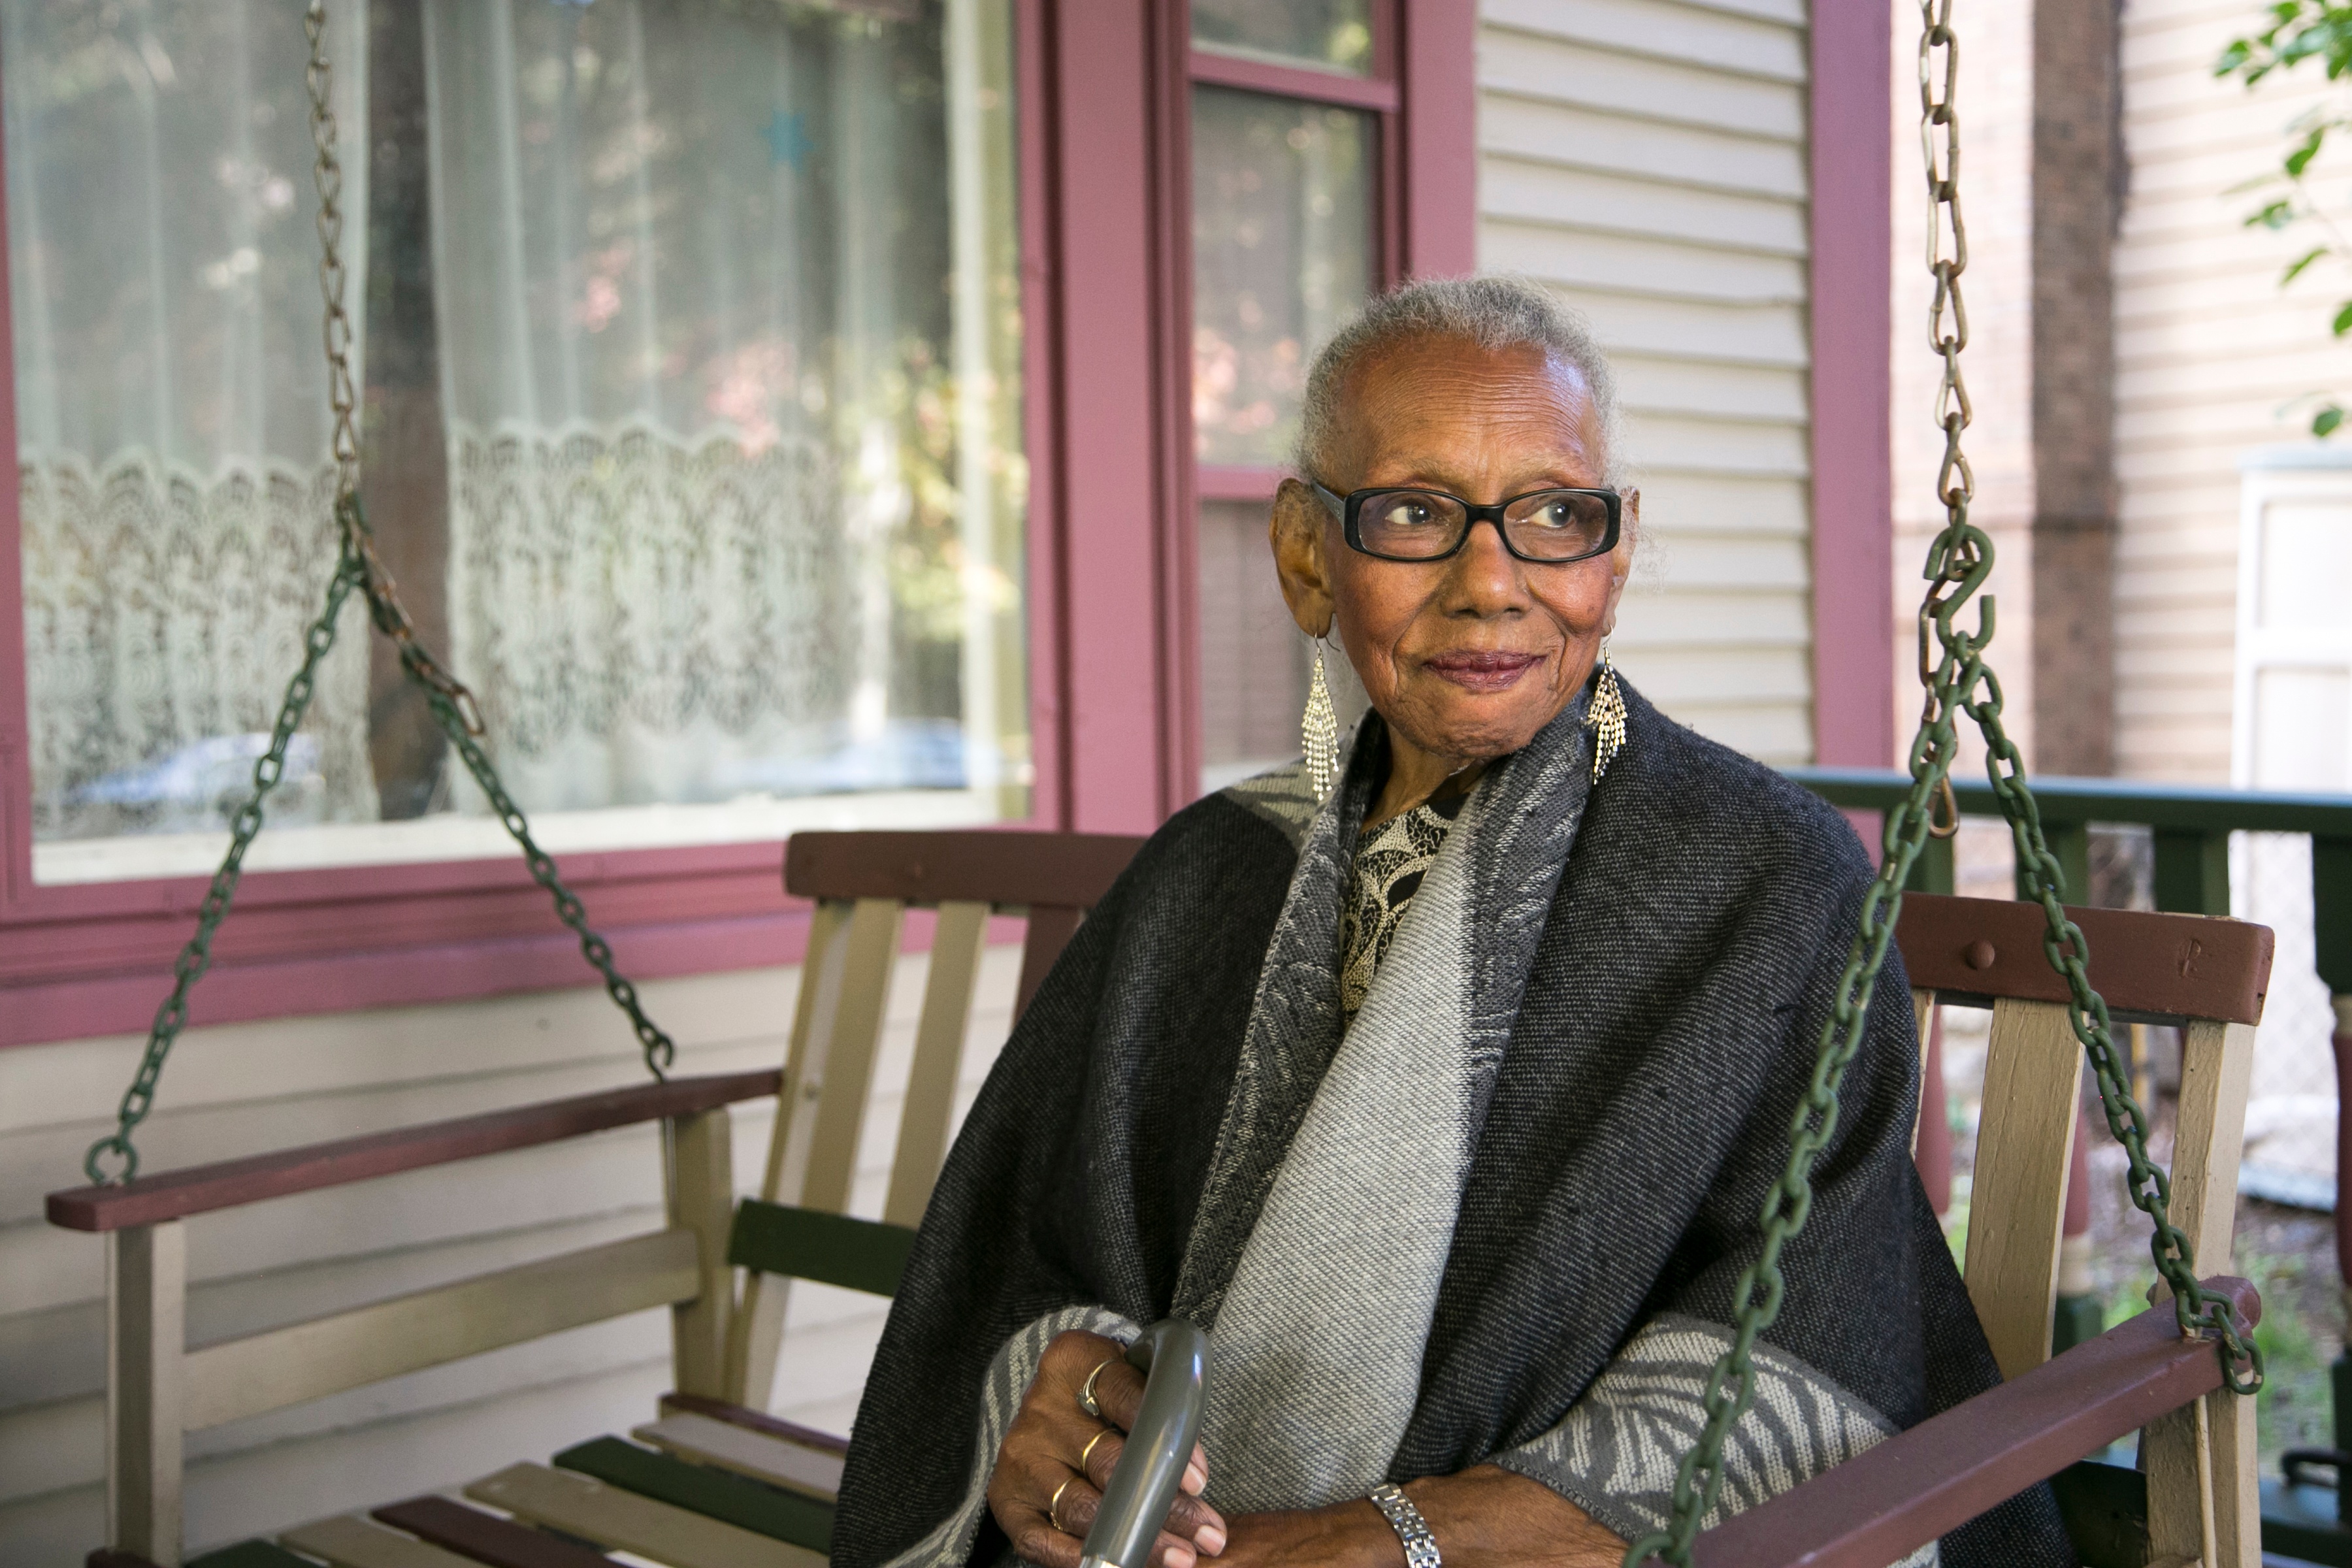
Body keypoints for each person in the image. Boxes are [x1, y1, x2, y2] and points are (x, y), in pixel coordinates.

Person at [831, 276, 2071, 1568]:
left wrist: (1385, 1542)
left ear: (1618, 551)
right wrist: (1054, 1402)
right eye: (1417, 514)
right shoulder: (1203, 880)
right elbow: (1016, 1273)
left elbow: (1809, 1346)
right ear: (1309, 557)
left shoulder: (1763, 881)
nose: (1492, 582)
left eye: (1554, 514)